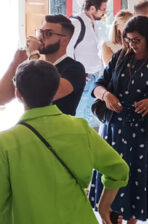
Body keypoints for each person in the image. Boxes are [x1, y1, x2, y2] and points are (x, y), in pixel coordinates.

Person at [0, 60, 130, 224]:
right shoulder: (80, 128)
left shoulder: (6, 143)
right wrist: (103, 206)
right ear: (55, 91)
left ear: (18, 94)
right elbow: (119, 169)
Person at [89, 16, 148, 223]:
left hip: (141, 132)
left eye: (137, 40)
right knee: (112, 180)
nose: (132, 45)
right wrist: (106, 95)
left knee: (135, 184)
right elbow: (98, 84)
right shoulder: (120, 57)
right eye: (128, 40)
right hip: (114, 129)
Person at [0, 15, 87, 116]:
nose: (40, 37)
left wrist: (33, 55)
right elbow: (2, 97)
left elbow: (41, 94)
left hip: (59, 129)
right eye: (40, 32)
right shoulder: (32, 65)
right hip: (30, 127)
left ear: (65, 40)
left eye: (48, 33)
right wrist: (16, 61)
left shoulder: (74, 68)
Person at [69, 0, 109, 129]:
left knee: (88, 115)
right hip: (83, 76)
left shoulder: (94, 25)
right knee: (79, 115)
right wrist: (76, 74)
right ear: (92, 8)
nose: (104, 13)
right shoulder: (76, 23)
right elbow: (68, 50)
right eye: (102, 10)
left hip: (94, 75)